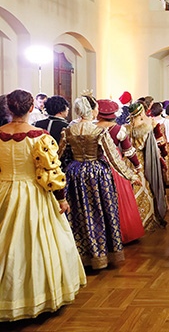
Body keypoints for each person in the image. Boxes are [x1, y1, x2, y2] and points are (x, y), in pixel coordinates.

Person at [0, 89, 86, 322]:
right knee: (36, 243)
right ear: (31, 109)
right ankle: (38, 295)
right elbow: (50, 172)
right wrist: (61, 199)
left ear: (10, 108)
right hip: (33, 193)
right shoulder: (40, 137)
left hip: (4, 191)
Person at [58, 94, 139, 269]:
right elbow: (113, 158)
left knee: (80, 213)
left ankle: (81, 253)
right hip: (97, 174)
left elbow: (58, 156)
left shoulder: (68, 130)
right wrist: (131, 175)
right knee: (100, 212)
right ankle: (101, 254)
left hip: (75, 173)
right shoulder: (98, 131)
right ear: (91, 110)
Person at [96, 99, 145, 244]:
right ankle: (123, 232)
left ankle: (103, 235)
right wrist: (137, 166)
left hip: (97, 165)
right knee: (119, 198)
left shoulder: (92, 128)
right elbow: (128, 151)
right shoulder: (118, 129)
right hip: (115, 165)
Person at [125, 102, 167, 229]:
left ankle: (130, 219)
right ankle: (145, 218)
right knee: (145, 184)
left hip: (127, 160)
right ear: (141, 111)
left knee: (129, 186)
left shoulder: (126, 128)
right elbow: (158, 143)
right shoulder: (148, 126)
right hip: (142, 159)